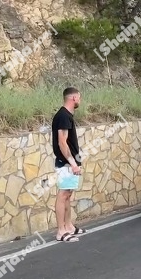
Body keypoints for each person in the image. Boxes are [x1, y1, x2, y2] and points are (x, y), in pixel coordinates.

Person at [52, 87, 84, 243]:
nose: (80, 100)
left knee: (68, 195)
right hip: (66, 163)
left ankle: (69, 226)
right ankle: (61, 231)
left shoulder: (67, 116)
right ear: (73, 98)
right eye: (79, 97)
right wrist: (72, 163)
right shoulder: (63, 116)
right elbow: (62, 142)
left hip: (69, 163)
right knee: (63, 195)